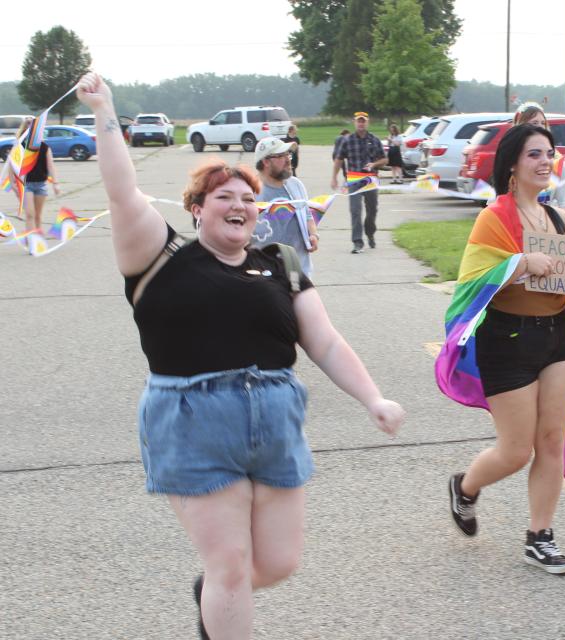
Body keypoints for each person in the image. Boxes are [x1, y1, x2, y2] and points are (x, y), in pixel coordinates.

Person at [76, 72, 405, 640]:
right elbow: (122, 189)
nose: (240, 205)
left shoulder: (280, 261)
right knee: (229, 563)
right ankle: (222, 605)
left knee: (277, 564)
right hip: (191, 418)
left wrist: (372, 396)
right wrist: (105, 110)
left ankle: (214, 602)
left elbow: (323, 339)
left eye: (249, 199)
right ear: (197, 209)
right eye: (224, 197)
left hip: (276, 417)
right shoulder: (158, 255)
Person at [446, 124, 565, 574]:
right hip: (506, 340)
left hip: (558, 335)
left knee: (551, 441)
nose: (545, 162)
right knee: (516, 450)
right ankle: (465, 487)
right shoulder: (494, 218)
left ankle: (539, 537)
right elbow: (470, 283)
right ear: (513, 164)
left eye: (549, 154)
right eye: (534, 155)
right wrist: (519, 262)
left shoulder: (559, 220)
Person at [251, 136, 319, 277]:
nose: (289, 159)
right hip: (266, 272)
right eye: (281, 156)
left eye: (288, 154)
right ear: (266, 161)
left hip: (301, 270)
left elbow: (307, 215)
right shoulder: (250, 191)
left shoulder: (296, 185)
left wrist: (313, 234)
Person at [331, 112, 386, 254]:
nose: (361, 124)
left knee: (372, 210)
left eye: (364, 121)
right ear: (355, 123)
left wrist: (374, 164)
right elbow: (339, 159)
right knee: (355, 211)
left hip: (370, 179)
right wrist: (334, 177)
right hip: (354, 179)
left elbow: (384, 160)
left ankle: (370, 232)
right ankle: (357, 242)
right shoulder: (347, 140)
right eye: (359, 121)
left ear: (368, 123)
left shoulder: (374, 139)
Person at [512, 102, 565, 209]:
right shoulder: (509, 156)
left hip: (546, 222)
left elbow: (563, 203)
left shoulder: (557, 160)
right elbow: (495, 201)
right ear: (520, 125)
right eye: (534, 123)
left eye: (543, 123)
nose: (540, 127)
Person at [14, 117, 61, 233]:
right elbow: (13, 166)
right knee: (30, 214)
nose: (31, 127)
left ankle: (38, 240)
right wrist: (14, 184)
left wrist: (55, 184)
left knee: (38, 216)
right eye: (28, 124)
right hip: (26, 184)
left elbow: (51, 166)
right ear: (25, 128)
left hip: (41, 184)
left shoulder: (44, 147)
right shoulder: (20, 146)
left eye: (33, 125)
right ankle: (31, 240)